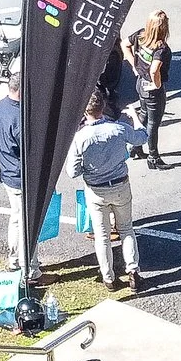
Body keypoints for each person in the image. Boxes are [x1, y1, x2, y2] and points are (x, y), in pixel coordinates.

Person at [69, 95, 150, 290]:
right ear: (103, 108)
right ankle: (133, 272)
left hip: (96, 190)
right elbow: (143, 136)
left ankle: (109, 278)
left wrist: (88, 169)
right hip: (120, 185)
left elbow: (72, 172)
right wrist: (135, 117)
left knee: (102, 235)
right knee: (126, 229)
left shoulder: (80, 137)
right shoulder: (118, 129)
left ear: (85, 112)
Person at [0, 74, 39, 280]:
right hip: (21, 176)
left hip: (7, 172)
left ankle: (14, 260)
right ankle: (31, 269)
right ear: (21, 90)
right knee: (28, 224)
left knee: (16, 219)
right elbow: (28, 150)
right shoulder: (20, 118)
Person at [125, 11, 172, 169]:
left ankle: (135, 146)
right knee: (153, 123)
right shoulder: (161, 49)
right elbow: (154, 70)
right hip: (152, 90)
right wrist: (157, 84)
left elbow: (125, 44)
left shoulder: (140, 35)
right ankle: (153, 157)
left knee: (143, 115)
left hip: (140, 84)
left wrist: (134, 65)